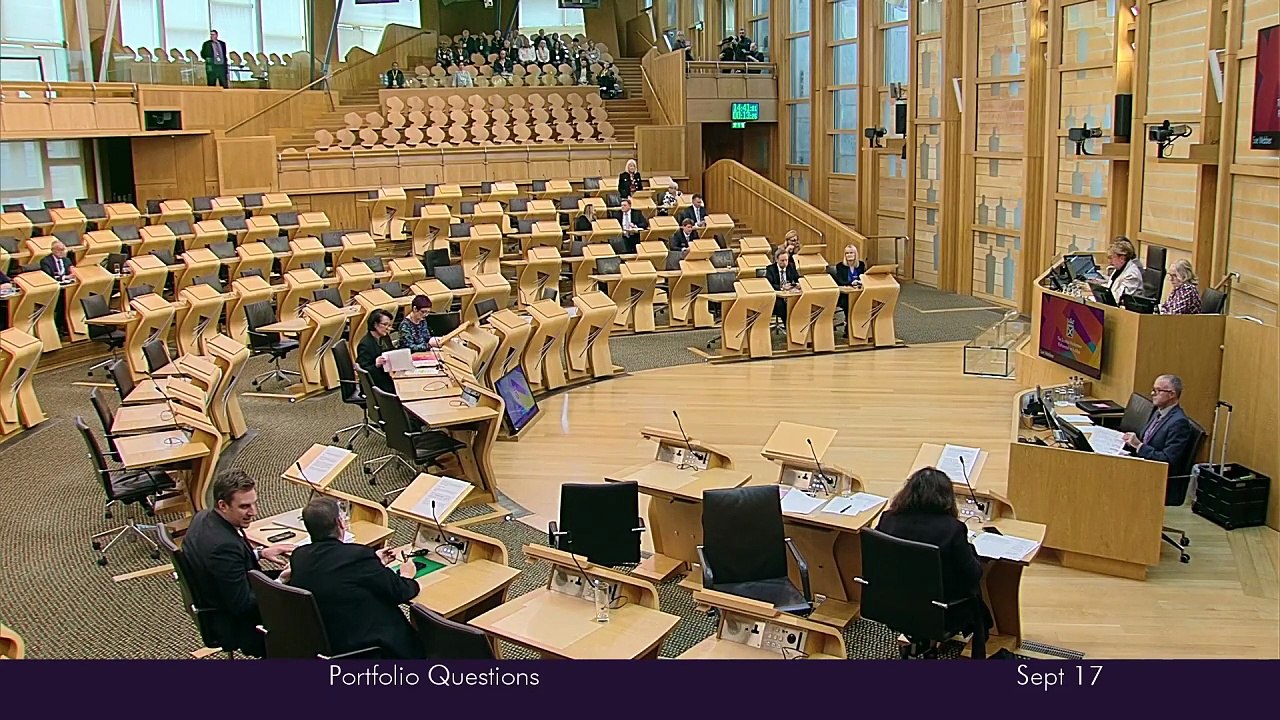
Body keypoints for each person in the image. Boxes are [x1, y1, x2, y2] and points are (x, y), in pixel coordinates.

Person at [283, 497, 423, 659]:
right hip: (371, 646)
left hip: (327, 641)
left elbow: (338, 573)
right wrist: (406, 575)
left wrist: (374, 563)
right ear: (340, 523)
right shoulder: (357, 556)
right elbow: (400, 592)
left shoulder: (299, 556)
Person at [876, 467, 992, 659]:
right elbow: (972, 575)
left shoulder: (888, 519)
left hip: (892, 603)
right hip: (941, 610)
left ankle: (921, 642)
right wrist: (972, 553)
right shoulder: (952, 530)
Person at [182, 470, 294, 657]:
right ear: (223, 505)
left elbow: (226, 566)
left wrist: (260, 553)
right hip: (238, 622)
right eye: (244, 507)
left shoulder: (203, 518)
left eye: (254, 503)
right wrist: (281, 581)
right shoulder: (223, 546)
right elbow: (243, 606)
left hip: (223, 594)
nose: (254, 512)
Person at [1123, 374, 1197, 470]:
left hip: (1154, 473)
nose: (1152, 393)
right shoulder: (1158, 412)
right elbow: (1147, 440)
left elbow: (1167, 460)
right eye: (1153, 390)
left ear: (1171, 395)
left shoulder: (1179, 423)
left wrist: (1139, 446)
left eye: (1158, 391)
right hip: (1142, 463)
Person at [1089, 237, 1143, 301]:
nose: (1110, 261)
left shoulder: (1132, 274)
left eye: (1112, 258)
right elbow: (1110, 288)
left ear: (1122, 258)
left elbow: (1119, 298)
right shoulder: (1119, 268)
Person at [357, 308, 396, 395]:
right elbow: (363, 371)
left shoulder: (384, 337)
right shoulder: (365, 344)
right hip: (375, 383)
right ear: (375, 324)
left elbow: (392, 351)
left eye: (389, 325)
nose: (388, 328)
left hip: (387, 375)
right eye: (385, 325)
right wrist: (376, 364)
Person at [765, 245, 800, 323]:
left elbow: (798, 278)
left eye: (786, 260)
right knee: (782, 306)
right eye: (782, 260)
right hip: (777, 297)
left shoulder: (791, 267)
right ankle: (787, 325)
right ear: (776, 260)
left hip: (790, 295)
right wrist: (782, 287)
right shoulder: (770, 269)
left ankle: (795, 325)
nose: (785, 263)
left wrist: (797, 284)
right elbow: (769, 284)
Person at [834, 243, 865, 326]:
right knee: (847, 303)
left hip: (859, 291)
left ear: (855, 254)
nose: (849, 255)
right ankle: (848, 325)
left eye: (851, 253)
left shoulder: (861, 265)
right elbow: (840, 281)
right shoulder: (840, 266)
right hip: (845, 294)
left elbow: (863, 277)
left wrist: (860, 282)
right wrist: (851, 283)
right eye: (847, 253)